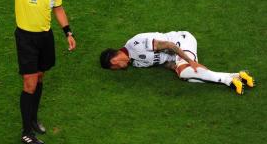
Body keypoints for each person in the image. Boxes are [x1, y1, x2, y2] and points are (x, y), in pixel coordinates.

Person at [4, 0, 76, 144]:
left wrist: (68, 33)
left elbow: (58, 9)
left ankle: (33, 119)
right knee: (30, 83)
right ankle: (26, 132)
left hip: (45, 37)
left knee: (40, 77)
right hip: (26, 38)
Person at [100, 31, 255, 94]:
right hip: (176, 56)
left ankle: (228, 81)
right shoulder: (136, 63)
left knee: (185, 71)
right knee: (190, 77)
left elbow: (169, 46)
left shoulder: (136, 44)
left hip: (181, 41)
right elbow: (163, 63)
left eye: (115, 67)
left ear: (114, 60)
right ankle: (237, 76)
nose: (119, 69)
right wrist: (175, 67)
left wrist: (188, 61)